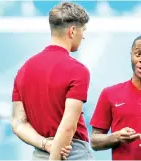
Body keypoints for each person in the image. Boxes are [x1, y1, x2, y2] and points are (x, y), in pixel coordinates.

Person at [11, 2, 93, 160]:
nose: (83, 36)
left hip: (41, 153)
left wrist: (45, 144)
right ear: (73, 31)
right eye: (83, 30)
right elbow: (68, 126)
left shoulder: (24, 70)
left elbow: (18, 123)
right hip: (71, 153)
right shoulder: (78, 70)